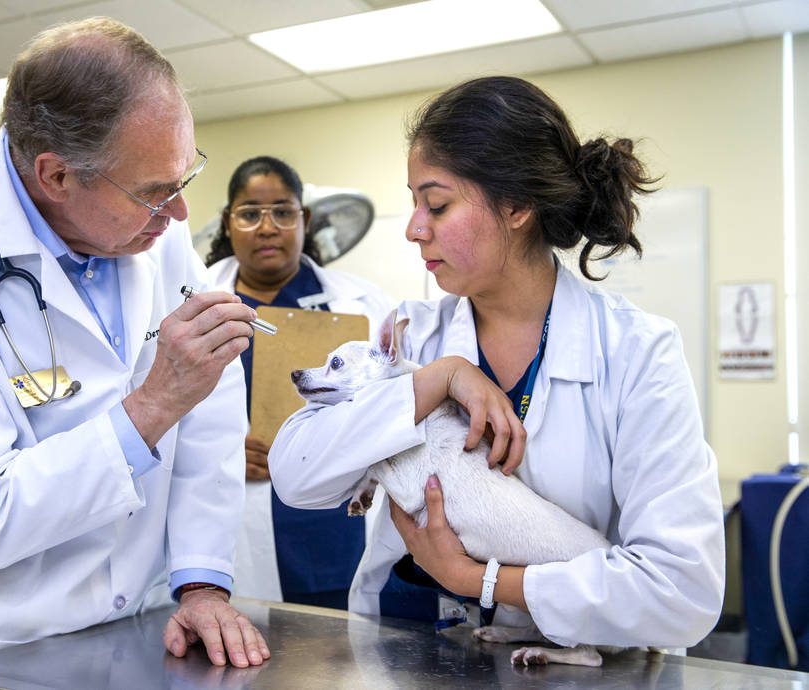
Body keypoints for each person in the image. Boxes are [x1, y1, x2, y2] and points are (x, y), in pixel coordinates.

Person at [0, 18, 269, 688]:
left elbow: (208, 413)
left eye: (184, 174)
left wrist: (200, 584)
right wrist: (152, 404)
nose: (180, 211)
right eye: (155, 189)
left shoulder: (153, 234)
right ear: (55, 175)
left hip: (139, 628)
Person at [268, 76, 724, 651]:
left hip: (577, 662)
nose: (414, 228)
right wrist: (438, 378)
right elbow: (294, 474)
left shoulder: (636, 352)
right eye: (414, 204)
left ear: (517, 205)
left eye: (436, 204)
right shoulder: (414, 337)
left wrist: (478, 580)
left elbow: (683, 592)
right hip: (409, 646)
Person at [204, 156, 394, 608]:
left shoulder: (365, 304)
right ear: (228, 224)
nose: (267, 227)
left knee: (348, 662)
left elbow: (399, 403)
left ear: (304, 219)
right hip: (240, 510)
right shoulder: (195, 300)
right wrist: (224, 450)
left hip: (339, 521)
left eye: (283, 212)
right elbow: (161, 406)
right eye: (250, 213)